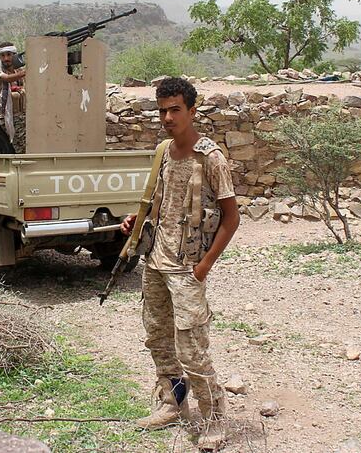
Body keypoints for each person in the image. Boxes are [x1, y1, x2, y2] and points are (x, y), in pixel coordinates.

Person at [120, 77, 240, 450]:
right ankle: (172, 401)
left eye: (175, 110)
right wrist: (134, 219)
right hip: (157, 261)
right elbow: (160, 201)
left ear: (191, 109)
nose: (168, 117)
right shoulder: (164, 153)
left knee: (192, 349)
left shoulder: (211, 158)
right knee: (159, 339)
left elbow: (231, 217)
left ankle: (214, 417)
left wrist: (204, 266)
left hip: (187, 267)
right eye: (162, 111)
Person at [0, 41, 26, 152]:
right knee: (19, 147)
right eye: (3, 55)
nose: (6, 58)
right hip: (6, 115)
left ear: (14, 55)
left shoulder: (19, 71)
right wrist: (25, 72)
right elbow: (7, 79)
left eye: (9, 54)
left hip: (23, 114)